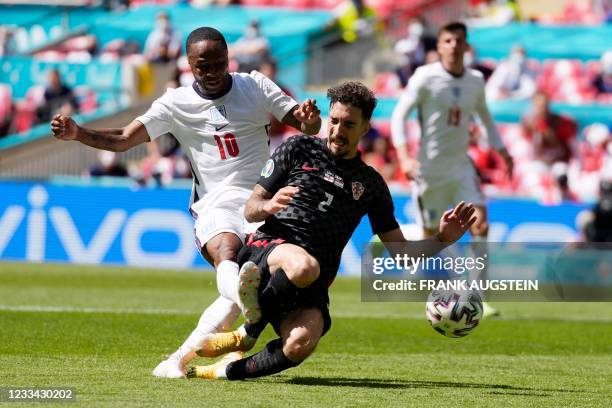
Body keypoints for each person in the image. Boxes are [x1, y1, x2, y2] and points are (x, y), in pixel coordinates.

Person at [50, 26, 321, 378]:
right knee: (227, 252)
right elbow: (122, 139)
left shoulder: (254, 85)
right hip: (216, 201)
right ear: (189, 65)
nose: (210, 73)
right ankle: (247, 304)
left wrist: (311, 120)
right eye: (201, 67)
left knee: (237, 289)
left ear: (228, 58)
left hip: (261, 199)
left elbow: (304, 124)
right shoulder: (175, 103)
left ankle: (176, 360)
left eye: (218, 64)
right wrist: (78, 133)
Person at [186, 81, 477, 380]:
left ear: (365, 128)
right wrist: (270, 204)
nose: (338, 130)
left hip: (313, 279)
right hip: (270, 249)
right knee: (303, 265)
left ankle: (222, 371)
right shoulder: (299, 148)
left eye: (349, 124)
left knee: (300, 344)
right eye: (334, 121)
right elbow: (251, 207)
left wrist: (442, 239)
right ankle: (249, 330)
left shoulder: (372, 184)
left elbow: (401, 254)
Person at [390, 21, 513, 316]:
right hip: (429, 170)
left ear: (466, 45)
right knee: (432, 233)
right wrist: (405, 157)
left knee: (480, 224)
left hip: (461, 167)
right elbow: (398, 117)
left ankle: (478, 298)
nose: (454, 46)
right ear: (440, 46)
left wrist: (502, 151)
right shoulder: (425, 77)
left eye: (459, 40)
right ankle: (421, 284)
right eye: (448, 40)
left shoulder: (475, 80)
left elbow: (485, 118)